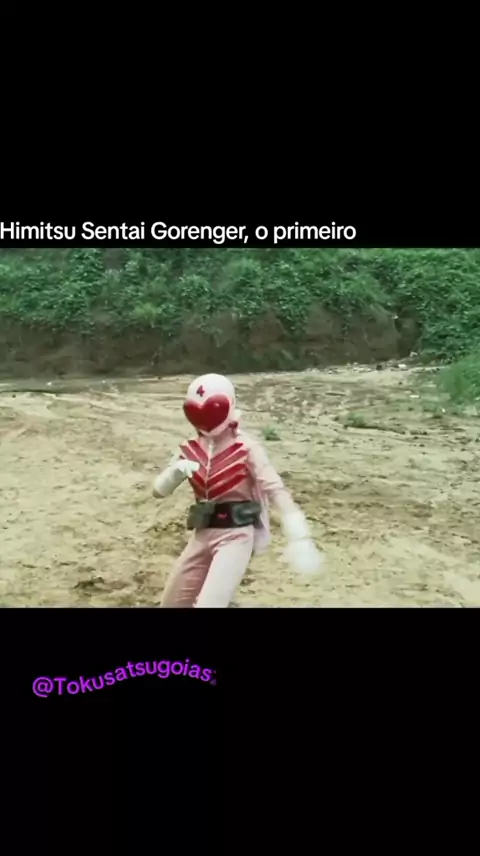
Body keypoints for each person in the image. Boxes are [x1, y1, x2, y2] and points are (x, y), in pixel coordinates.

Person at [153, 373, 325, 608]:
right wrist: (174, 474)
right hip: (202, 531)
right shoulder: (191, 448)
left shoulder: (246, 448)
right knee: (172, 602)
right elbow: (158, 491)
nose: (206, 420)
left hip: (235, 535)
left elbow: (275, 488)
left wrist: (299, 534)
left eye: (213, 410)